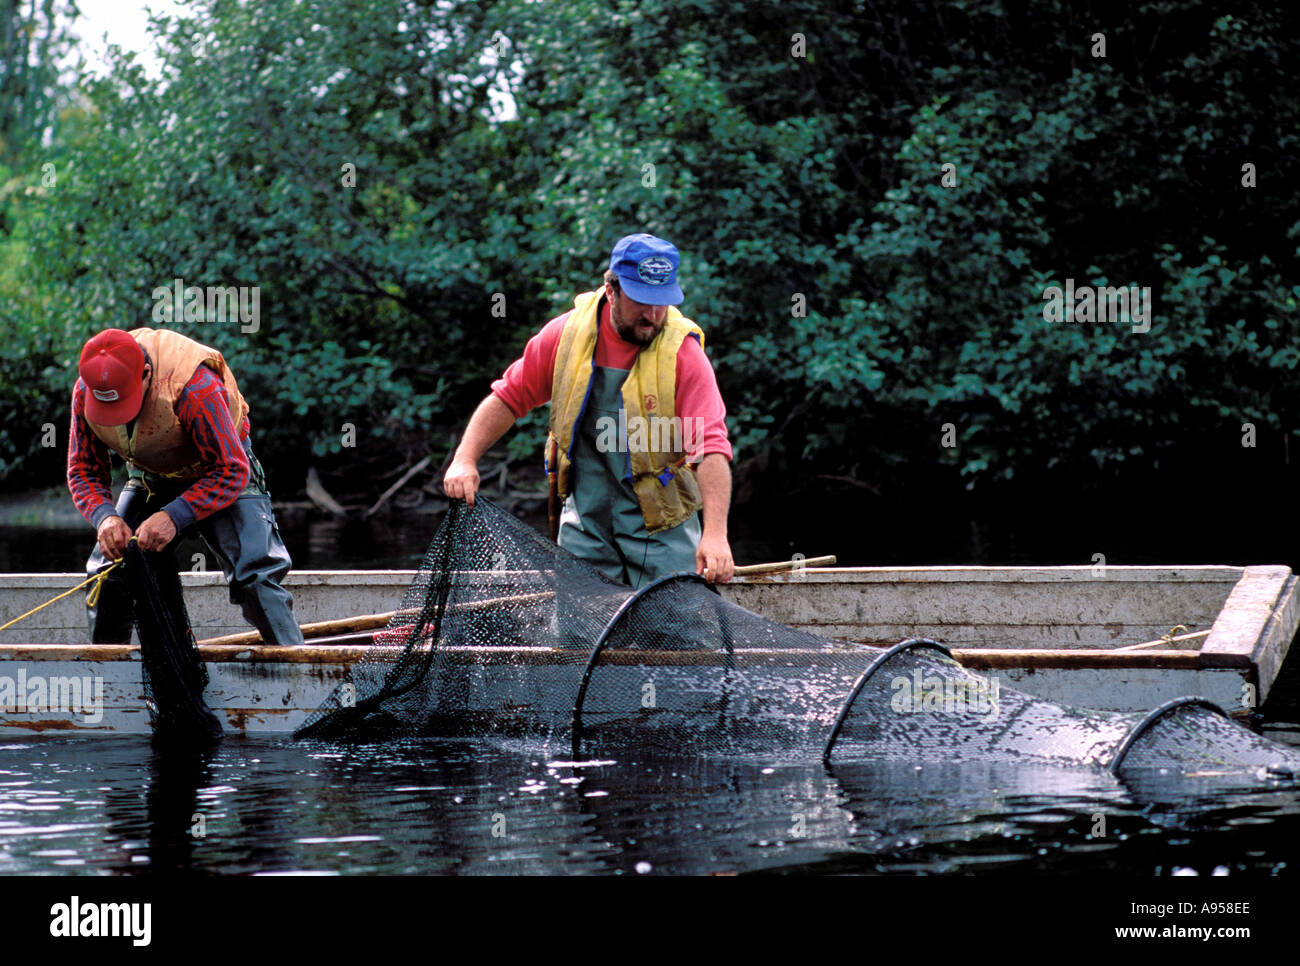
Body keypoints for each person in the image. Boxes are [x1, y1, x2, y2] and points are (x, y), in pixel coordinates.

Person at [443, 233, 735, 587]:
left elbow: (711, 447)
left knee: (679, 633)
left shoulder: (684, 354)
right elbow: (509, 397)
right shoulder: (565, 336)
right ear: (611, 291)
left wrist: (716, 535)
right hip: (587, 525)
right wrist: (465, 458)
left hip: (663, 528)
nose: (652, 315)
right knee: (579, 636)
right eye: (641, 300)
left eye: (662, 302)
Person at [67, 327, 304, 645]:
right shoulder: (88, 389)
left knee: (254, 576)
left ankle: (295, 672)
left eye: (123, 403)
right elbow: (83, 471)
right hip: (152, 474)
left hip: (221, 470)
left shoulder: (196, 387)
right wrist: (105, 517)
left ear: (146, 375)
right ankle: (107, 683)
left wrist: (174, 516)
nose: (116, 416)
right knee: (109, 572)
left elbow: (231, 469)